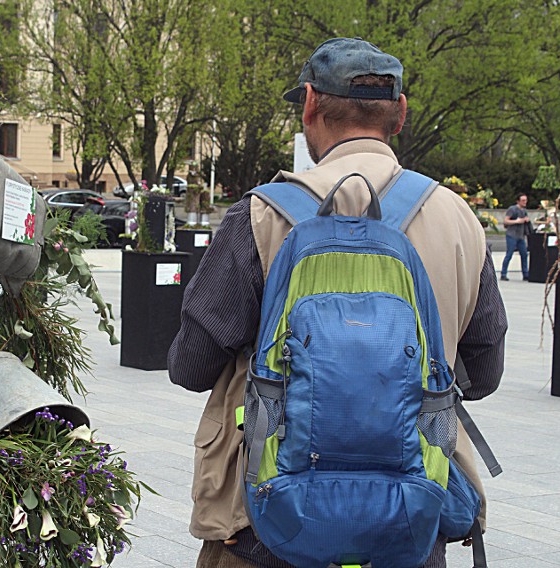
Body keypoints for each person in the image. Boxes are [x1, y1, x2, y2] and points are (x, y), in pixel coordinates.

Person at [168, 37, 507, 568]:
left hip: (267, 526)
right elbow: (483, 375)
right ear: (400, 113)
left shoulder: (261, 214)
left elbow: (190, 366)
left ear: (309, 105)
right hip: (410, 521)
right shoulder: (457, 217)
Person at [501, 193, 530, 281]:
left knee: (524, 254)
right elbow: (506, 221)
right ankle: (503, 273)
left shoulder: (524, 211)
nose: (525, 202)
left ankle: (525, 274)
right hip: (512, 235)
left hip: (521, 236)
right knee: (509, 254)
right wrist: (517, 221)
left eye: (526, 200)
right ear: (518, 201)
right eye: (523, 200)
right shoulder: (512, 209)